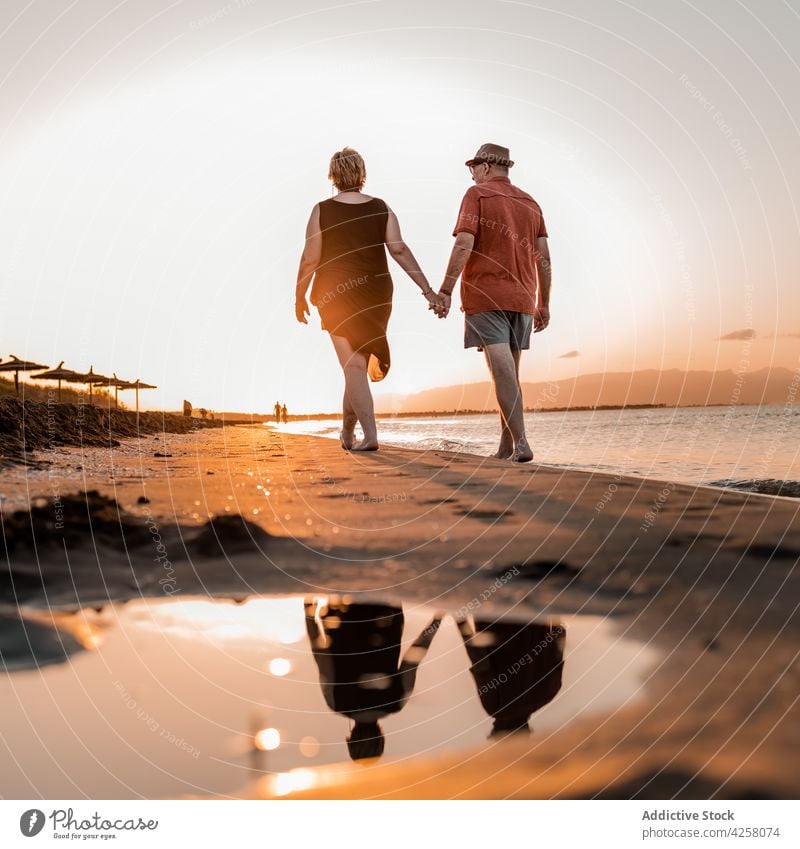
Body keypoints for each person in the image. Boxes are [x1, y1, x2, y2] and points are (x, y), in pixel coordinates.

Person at [295, 147, 443, 451]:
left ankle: (371, 436)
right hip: (376, 292)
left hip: (335, 293)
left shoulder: (321, 209)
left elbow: (311, 258)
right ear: (362, 173)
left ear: (333, 175)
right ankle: (347, 433)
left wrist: (299, 296)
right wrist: (427, 290)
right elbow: (399, 249)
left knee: (352, 367)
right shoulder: (380, 207)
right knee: (356, 365)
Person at [434, 143, 551, 462]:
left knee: (502, 372)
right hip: (524, 298)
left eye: (473, 167)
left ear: (486, 167)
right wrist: (544, 302)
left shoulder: (477, 195)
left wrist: (445, 289)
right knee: (509, 373)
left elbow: (464, 243)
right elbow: (544, 258)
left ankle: (522, 442)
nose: (471, 174)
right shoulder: (530, 203)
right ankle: (506, 446)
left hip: (486, 296)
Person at [304, 599, 442, 760]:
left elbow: (416, 654)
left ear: (380, 737)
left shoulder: (395, 702)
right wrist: (309, 611)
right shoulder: (336, 702)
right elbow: (320, 653)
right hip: (341, 616)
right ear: (352, 738)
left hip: (385, 614)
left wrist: (438, 619)